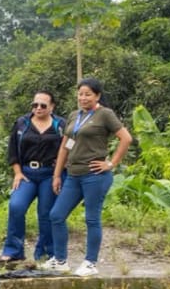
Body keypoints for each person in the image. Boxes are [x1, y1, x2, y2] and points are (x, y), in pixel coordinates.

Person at [46, 78, 133, 277]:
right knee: (56, 215)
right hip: (73, 175)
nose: (83, 98)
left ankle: (90, 263)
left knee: (91, 218)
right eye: (80, 94)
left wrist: (111, 163)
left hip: (95, 176)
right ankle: (60, 261)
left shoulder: (105, 114)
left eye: (88, 94)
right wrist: (57, 175)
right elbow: (65, 147)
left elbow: (126, 138)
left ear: (97, 96)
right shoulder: (74, 115)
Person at [0, 91, 63, 266]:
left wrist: (61, 168)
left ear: (52, 107)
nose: (38, 108)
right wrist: (17, 172)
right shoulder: (22, 124)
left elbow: (69, 146)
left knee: (46, 213)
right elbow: (13, 150)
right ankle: (14, 250)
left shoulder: (60, 125)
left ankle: (45, 253)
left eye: (43, 105)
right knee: (16, 206)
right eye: (35, 105)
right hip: (26, 173)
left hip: (49, 174)